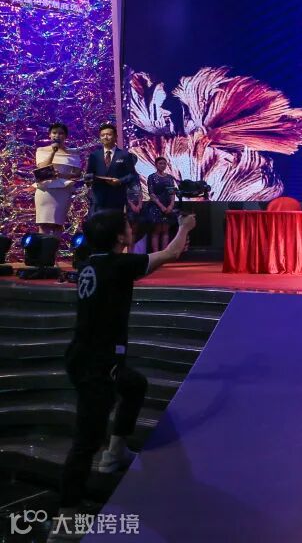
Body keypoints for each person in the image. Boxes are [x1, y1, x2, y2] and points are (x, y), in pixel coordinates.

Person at [52, 210, 195, 539]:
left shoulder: (90, 262)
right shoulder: (119, 265)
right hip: (98, 364)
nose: (132, 229)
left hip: (85, 355)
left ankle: (116, 451)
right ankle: (65, 521)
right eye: (127, 226)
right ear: (120, 237)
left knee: (134, 384)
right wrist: (185, 226)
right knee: (86, 442)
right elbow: (172, 252)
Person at [34, 123, 83, 235]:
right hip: (45, 190)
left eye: (61, 133)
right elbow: (41, 167)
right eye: (54, 133)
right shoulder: (41, 150)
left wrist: (62, 175)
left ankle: (54, 246)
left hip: (63, 190)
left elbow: (77, 173)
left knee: (58, 225)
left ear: (65, 136)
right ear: (49, 135)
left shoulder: (73, 152)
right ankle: (43, 246)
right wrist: (53, 151)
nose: (57, 135)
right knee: (43, 224)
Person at [84, 123, 138, 215]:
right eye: (102, 135)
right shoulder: (94, 155)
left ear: (116, 136)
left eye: (108, 134)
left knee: (115, 223)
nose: (105, 137)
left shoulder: (125, 155)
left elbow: (132, 175)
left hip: (117, 197)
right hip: (98, 198)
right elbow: (89, 173)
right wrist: (88, 179)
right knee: (98, 223)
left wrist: (120, 181)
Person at [145, 157, 179, 253]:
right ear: (156, 165)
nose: (163, 165)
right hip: (156, 206)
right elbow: (151, 193)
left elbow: (172, 192)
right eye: (160, 163)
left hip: (168, 206)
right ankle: (156, 254)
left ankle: (164, 254)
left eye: (164, 163)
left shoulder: (169, 177)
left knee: (166, 231)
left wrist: (171, 205)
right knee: (156, 231)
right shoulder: (151, 177)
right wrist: (161, 207)